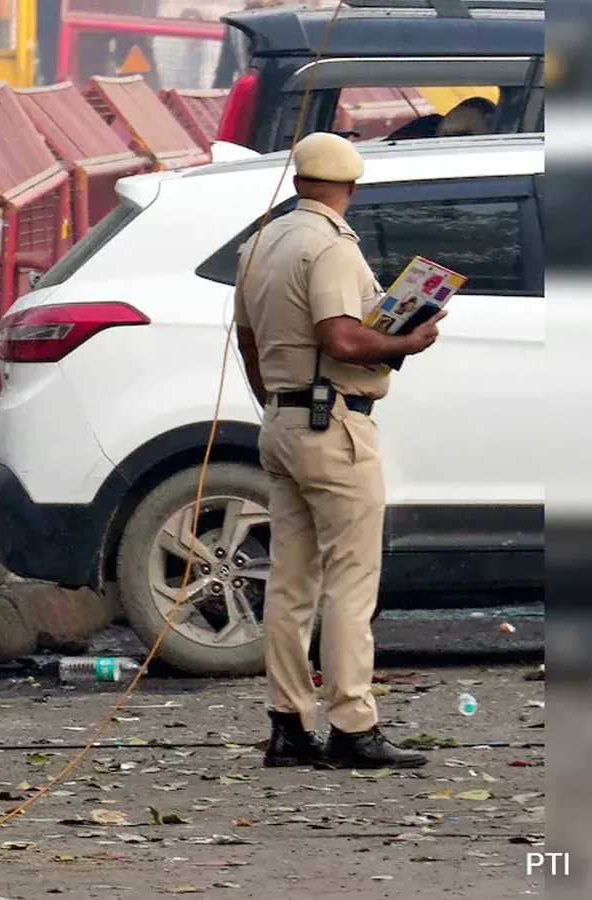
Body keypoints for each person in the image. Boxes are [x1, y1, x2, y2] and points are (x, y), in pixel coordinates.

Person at [232, 133, 447, 771]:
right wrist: (411, 342)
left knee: (291, 584)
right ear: (351, 188)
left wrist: (278, 400)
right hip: (335, 426)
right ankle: (354, 725)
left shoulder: (259, 243)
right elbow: (343, 339)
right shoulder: (327, 245)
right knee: (352, 583)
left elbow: (247, 342)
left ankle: (290, 726)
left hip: (284, 423)